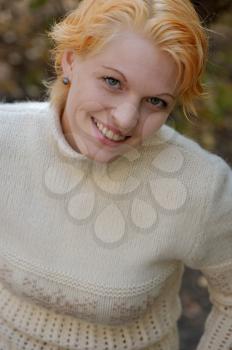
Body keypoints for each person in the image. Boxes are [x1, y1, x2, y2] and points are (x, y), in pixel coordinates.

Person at [0, 0, 231, 349]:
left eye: (156, 102)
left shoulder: (199, 186)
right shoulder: (6, 141)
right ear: (70, 60)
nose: (125, 119)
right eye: (112, 82)